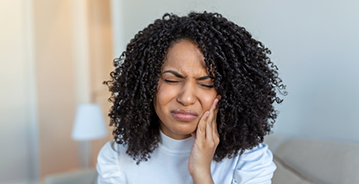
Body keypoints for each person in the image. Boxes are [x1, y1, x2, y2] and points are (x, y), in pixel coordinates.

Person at [97, 11, 286, 184]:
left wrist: (201, 172)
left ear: (231, 93)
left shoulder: (248, 160)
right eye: (171, 80)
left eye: (206, 84)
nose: (186, 98)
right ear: (147, 85)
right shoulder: (116, 160)